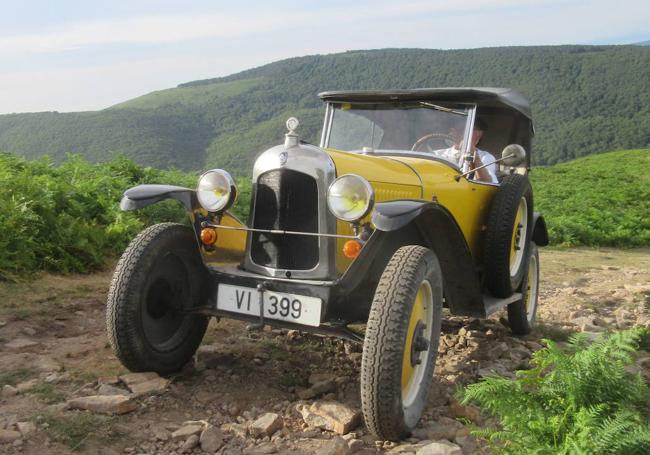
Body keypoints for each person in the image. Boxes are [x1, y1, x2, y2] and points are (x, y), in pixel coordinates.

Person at [434, 118, 498, 183]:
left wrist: (475, 157)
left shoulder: (485, 157)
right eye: (470, 129)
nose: (476, 135)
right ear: (454, 132)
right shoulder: (438, 154)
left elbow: (487, 182)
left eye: (479, 132)